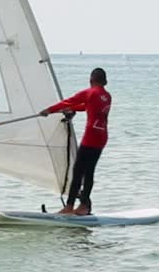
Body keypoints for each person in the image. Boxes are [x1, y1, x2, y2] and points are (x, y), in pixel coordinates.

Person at [41, 67, 111, 215]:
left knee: (78, 171)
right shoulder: (106, 96)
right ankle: (85, 206)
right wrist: (70, 108)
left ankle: (70, 206)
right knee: (89, 171)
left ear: (91, 80)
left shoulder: (89, 92)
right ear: (104, 81)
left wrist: (49, 110)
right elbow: (85, 106)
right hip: (102, 136)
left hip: (91, 136)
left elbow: (68, 102)